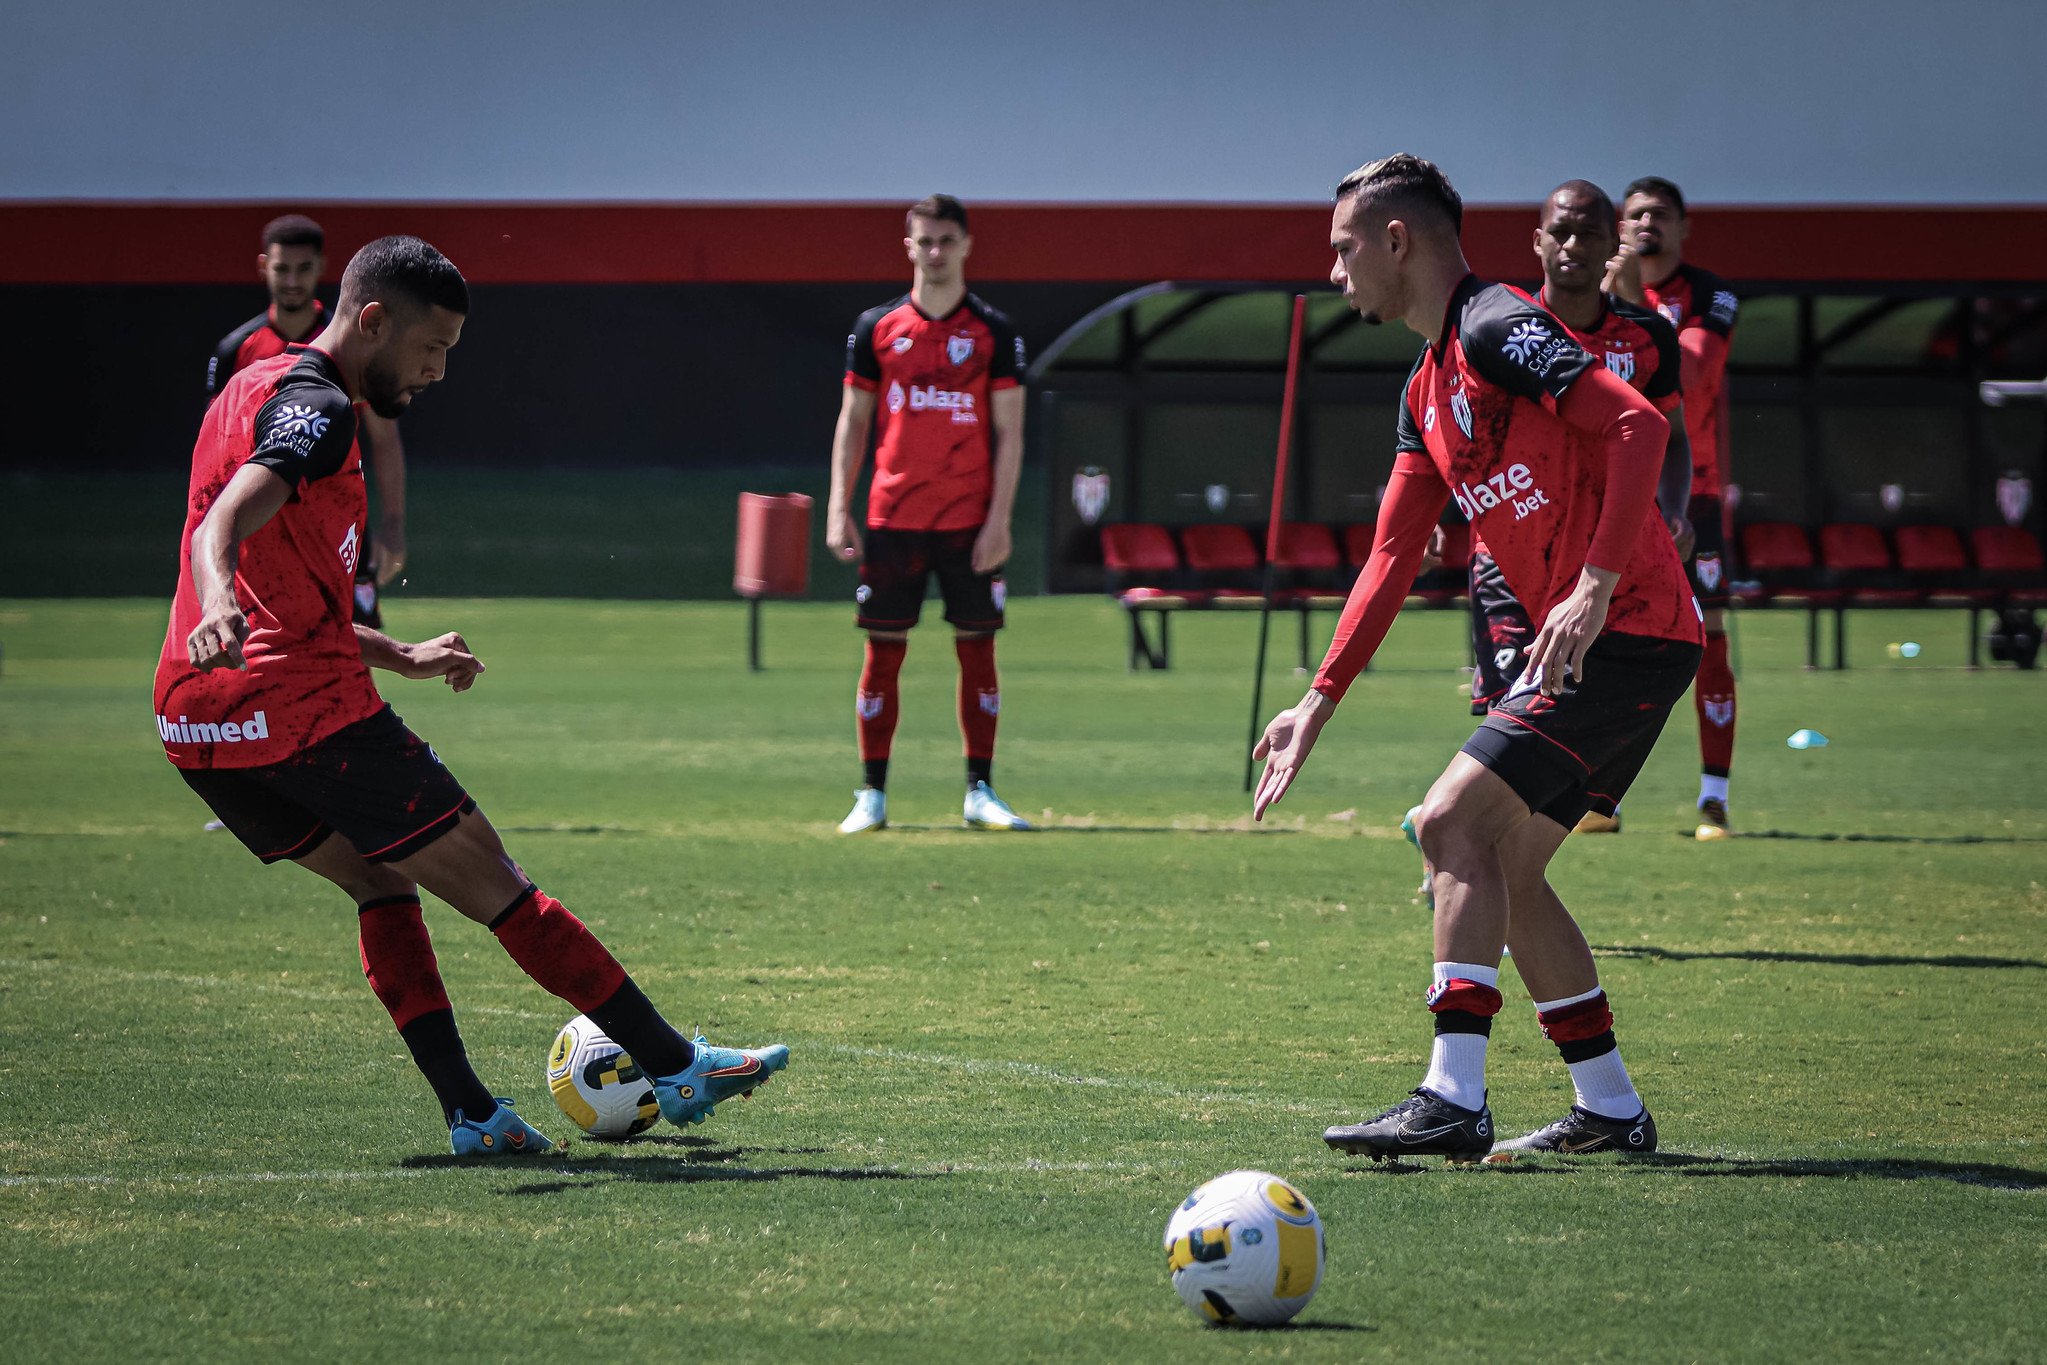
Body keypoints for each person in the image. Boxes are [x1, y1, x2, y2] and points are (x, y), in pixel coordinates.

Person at [159, 235, 788, 1155]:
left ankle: (473, 1115)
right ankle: (675, 1065)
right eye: (432, 346)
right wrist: (217, 594)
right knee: (494, 879)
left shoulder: (246, 390)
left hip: (197, 720)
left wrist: (399, 653)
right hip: (303, 711)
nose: (438, 371)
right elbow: (225, 523)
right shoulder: (318, 408)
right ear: (374, 320)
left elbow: (278, 593)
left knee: (378, 879)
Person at [1253, 156, 1702, 1162]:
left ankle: (1451, 1097)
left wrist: (1591, 584)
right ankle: (1609, 1107)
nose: (1334, 272)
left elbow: (1636, 423)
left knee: (1448, 820)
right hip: (1608, 643)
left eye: (1343, 248)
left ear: (1395, 240)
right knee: (1504, 864)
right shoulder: (1424, 385)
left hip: (1626, 631)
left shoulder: (1497, 325)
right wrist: (1317, 700)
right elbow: (1391, 553)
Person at [1460, 180, 1696, 837]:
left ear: (1611, 244)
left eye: (1587, 233)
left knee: (1569, 698)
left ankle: (1477, 837)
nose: (1571, 245)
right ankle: (1467, 835)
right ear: (1536, 241)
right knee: (1514, 703)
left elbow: (1671, 437)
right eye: (1559, 232)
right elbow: (1471, 442)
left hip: (1606, 563)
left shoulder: (1647, 337)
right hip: (1509, 560)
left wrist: (1674, 508)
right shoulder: (1500, 330)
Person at [826, 194, 1030, 834]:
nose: (935, 252)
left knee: (978, 650)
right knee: (883, 652)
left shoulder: (995, 332)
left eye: (946, 240)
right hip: (893, 517)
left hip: (969, 522)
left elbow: (1011, 432)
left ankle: (980, 791)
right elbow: (854, 421)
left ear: (966, 245)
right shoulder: (876, 327)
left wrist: (1000, 520)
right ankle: (871, 795)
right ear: (908, 247)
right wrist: (838, 506)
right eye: (925, 241)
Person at [207, 214, 409, 629]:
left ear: (320, 267)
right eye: (282, 268)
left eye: (303, 268)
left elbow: (385, 438)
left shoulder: (351, 343)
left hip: (340, 522)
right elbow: (215, 448)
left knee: (355, 642)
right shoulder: (235, 350)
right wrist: (215, 529)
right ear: (264, 267)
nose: (292, 280)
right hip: (261, 526)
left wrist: (392, 523)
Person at [1617, 177, 1742, 840]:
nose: (1647, 225)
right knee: (1601, 637)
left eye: (1660, 215)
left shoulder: (1711, 294)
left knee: (1709, 639)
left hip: (1695, 490)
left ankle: (1713, 797)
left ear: (1683, 227)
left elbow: (1690, 375)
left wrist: (1631, 309)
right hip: (1617, 487)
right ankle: (1597, 797)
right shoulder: (1592, 294)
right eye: (1636, 214)